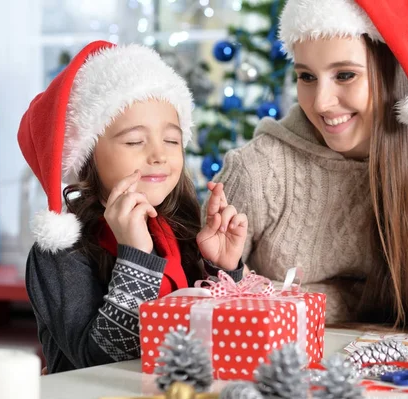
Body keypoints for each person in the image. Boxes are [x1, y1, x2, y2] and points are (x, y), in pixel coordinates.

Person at [207, 0, 408, 328]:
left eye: (345, 75)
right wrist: (354, 298)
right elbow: (209, 296)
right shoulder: (259, 169)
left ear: (392, 69)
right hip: (280, 365)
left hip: (390, 362)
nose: (321, 102)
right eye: (306, 76)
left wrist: (280, 295)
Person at [17, 41, 247, 373]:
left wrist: (220, 269)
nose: (159, 155)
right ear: (88, 157)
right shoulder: (62, 253)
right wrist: (135, 256)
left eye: (171, 140)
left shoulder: (181, 229)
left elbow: (220, 339)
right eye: (134, 141)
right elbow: (98, 363)